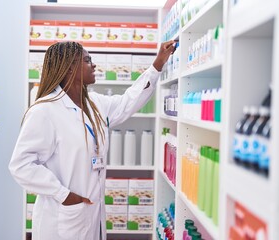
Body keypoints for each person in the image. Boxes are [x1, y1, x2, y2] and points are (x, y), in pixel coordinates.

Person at [9, 40, 176, 240]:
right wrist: (64, 195)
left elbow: (128, 101)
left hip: (90, 213)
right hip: (63, 219)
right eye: (87, 60)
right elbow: (21, 165)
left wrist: (157, 65)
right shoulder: (45, 111)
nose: (93, 65)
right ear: (70, 68)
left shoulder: (96, 103)